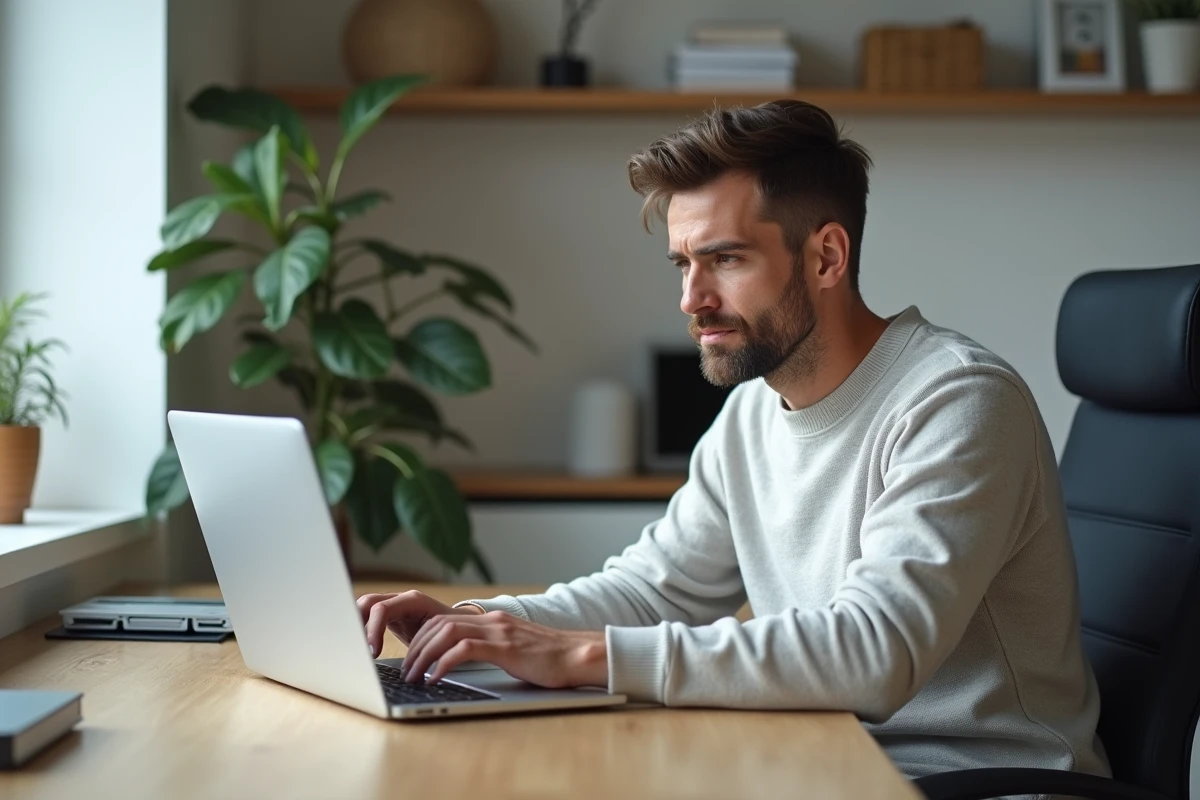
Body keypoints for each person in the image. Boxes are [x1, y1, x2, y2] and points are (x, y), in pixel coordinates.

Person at [356, 100, 1110, 782]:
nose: (692, 300)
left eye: (725, 259)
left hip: (979, 779)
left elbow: (878, 652)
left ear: (825, 257)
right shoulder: (754, 412)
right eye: (685, 264)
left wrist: (584, 657)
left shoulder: (957, 400)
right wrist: (489, 625)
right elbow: (657, 591)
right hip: (830, 757)